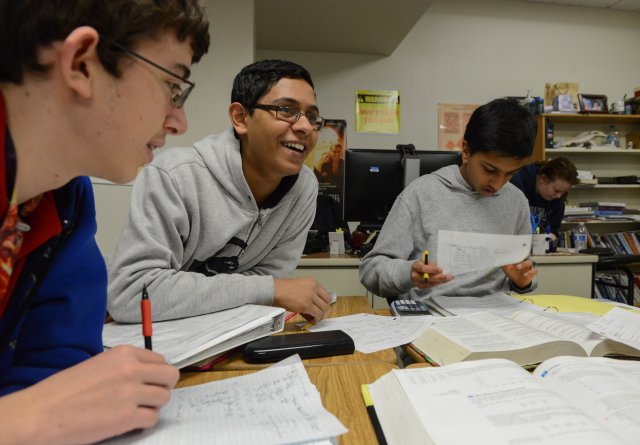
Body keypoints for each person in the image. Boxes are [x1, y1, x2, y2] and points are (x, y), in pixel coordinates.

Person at [0, 1, 210, 443]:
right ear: (81, 64)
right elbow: (44, 405)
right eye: (172, 86)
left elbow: (56, 365)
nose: (180, 121)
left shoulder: (65, 199)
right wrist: (23, 420)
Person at [107, 59, 332, 324]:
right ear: (240, 118)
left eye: (312, 117)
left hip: (228, 336)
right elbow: (132, 294)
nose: (305, 127)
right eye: (286, 110)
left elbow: (273, 278)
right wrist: (268, 289)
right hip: (157, 342)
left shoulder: (304, 188)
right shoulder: (175, 174)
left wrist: (270, 288)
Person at [359, 98, 538, 302]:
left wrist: (521, 281)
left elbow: (523, 269)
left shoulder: (516, 201)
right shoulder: (420, 194)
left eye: (510, 174)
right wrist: (409, 273)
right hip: (430, 317)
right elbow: (371, 270)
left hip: (493, 317)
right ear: (466, 151)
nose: (497, 184)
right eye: (490, 170)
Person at [510, 157, 578, 238]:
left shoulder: (558, 199)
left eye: (563, 193)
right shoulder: (516, 184)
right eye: (556, 190)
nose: (559, 196)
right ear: (542, 179)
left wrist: (551, 237)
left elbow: (553, 229)